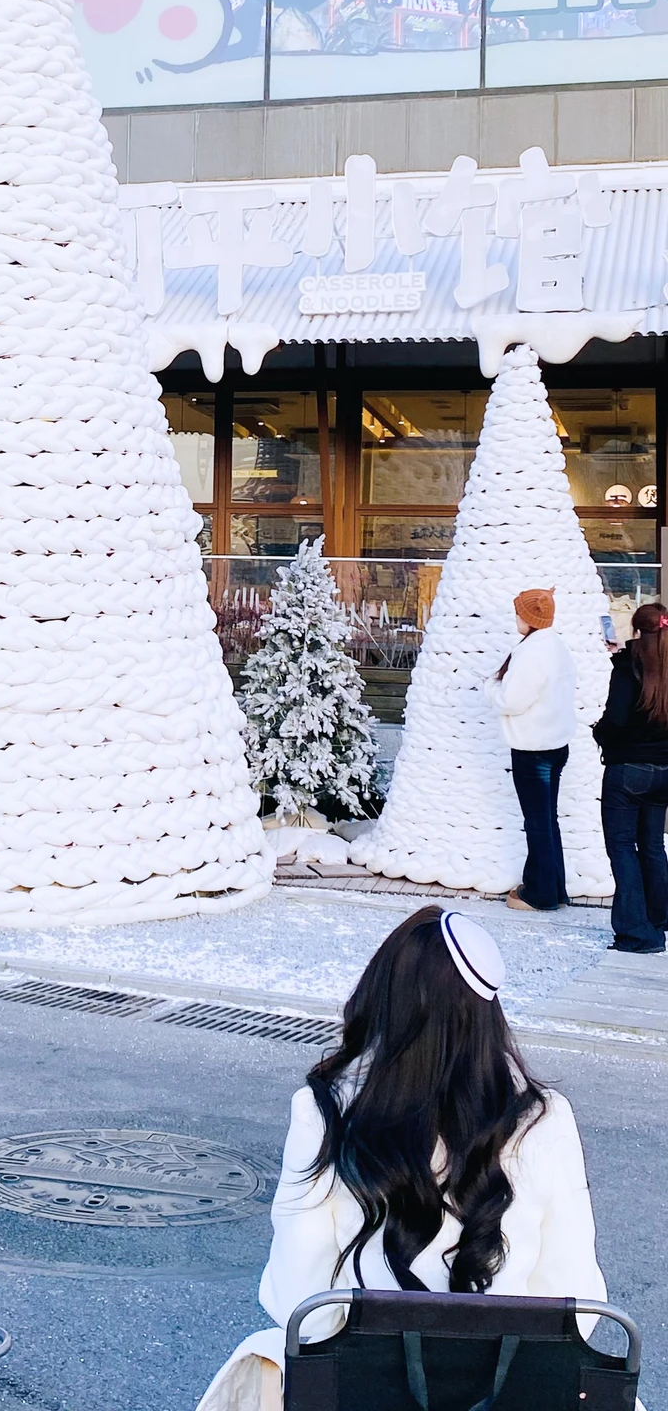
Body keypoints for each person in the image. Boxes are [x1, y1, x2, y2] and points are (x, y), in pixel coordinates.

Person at [196, 907, 607, 1411]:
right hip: (510, 1394)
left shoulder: (325, 1110)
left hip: (358, 1394)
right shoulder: (543, 1119)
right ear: (487, 1016)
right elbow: (574, 1306)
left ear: (381, 999)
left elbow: (300, 1306)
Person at [484, 587, 577, 913]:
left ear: (529, 617)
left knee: (537, 822)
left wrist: (491, 687)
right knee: (547, 820)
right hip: (555, 745)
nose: (516, 619)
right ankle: (554, 887)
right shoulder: (556, 647)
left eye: (519, 613)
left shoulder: (532, 653)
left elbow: (512, 701)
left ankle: (540, 893)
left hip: (533, 748)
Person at [593, 600, 668, 955]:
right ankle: (658, 918)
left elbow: (615, 720)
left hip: (628, 772)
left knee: (622, 848)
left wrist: (600, 735)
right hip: (664, 772)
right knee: (652, 846)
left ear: (637, 631)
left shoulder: (628, 668)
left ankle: (637, 932)